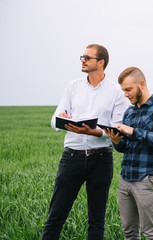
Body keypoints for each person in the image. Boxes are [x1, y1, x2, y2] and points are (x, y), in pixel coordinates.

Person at [42, 44, 129, 240]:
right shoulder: (72, 87)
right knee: (55, 216)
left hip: (101, 160)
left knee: (97, 222)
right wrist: (65, 121)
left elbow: (118, 127)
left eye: (87, 57)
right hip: (72, 157)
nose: (82, 60)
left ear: (101, 62)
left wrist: (93, 132)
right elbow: (54, 121)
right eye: (82, 56)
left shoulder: (116, 91)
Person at [105, 67, 153, 239]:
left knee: (151, 233)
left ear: (142, 84)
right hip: (126, 179)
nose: (125, 94)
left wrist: (133, 131)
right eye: (123, 90)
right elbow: (125, 147)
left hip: (148, 179)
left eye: (128, 89)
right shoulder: (129, 112)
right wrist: (117, 141)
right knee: (129, 233)